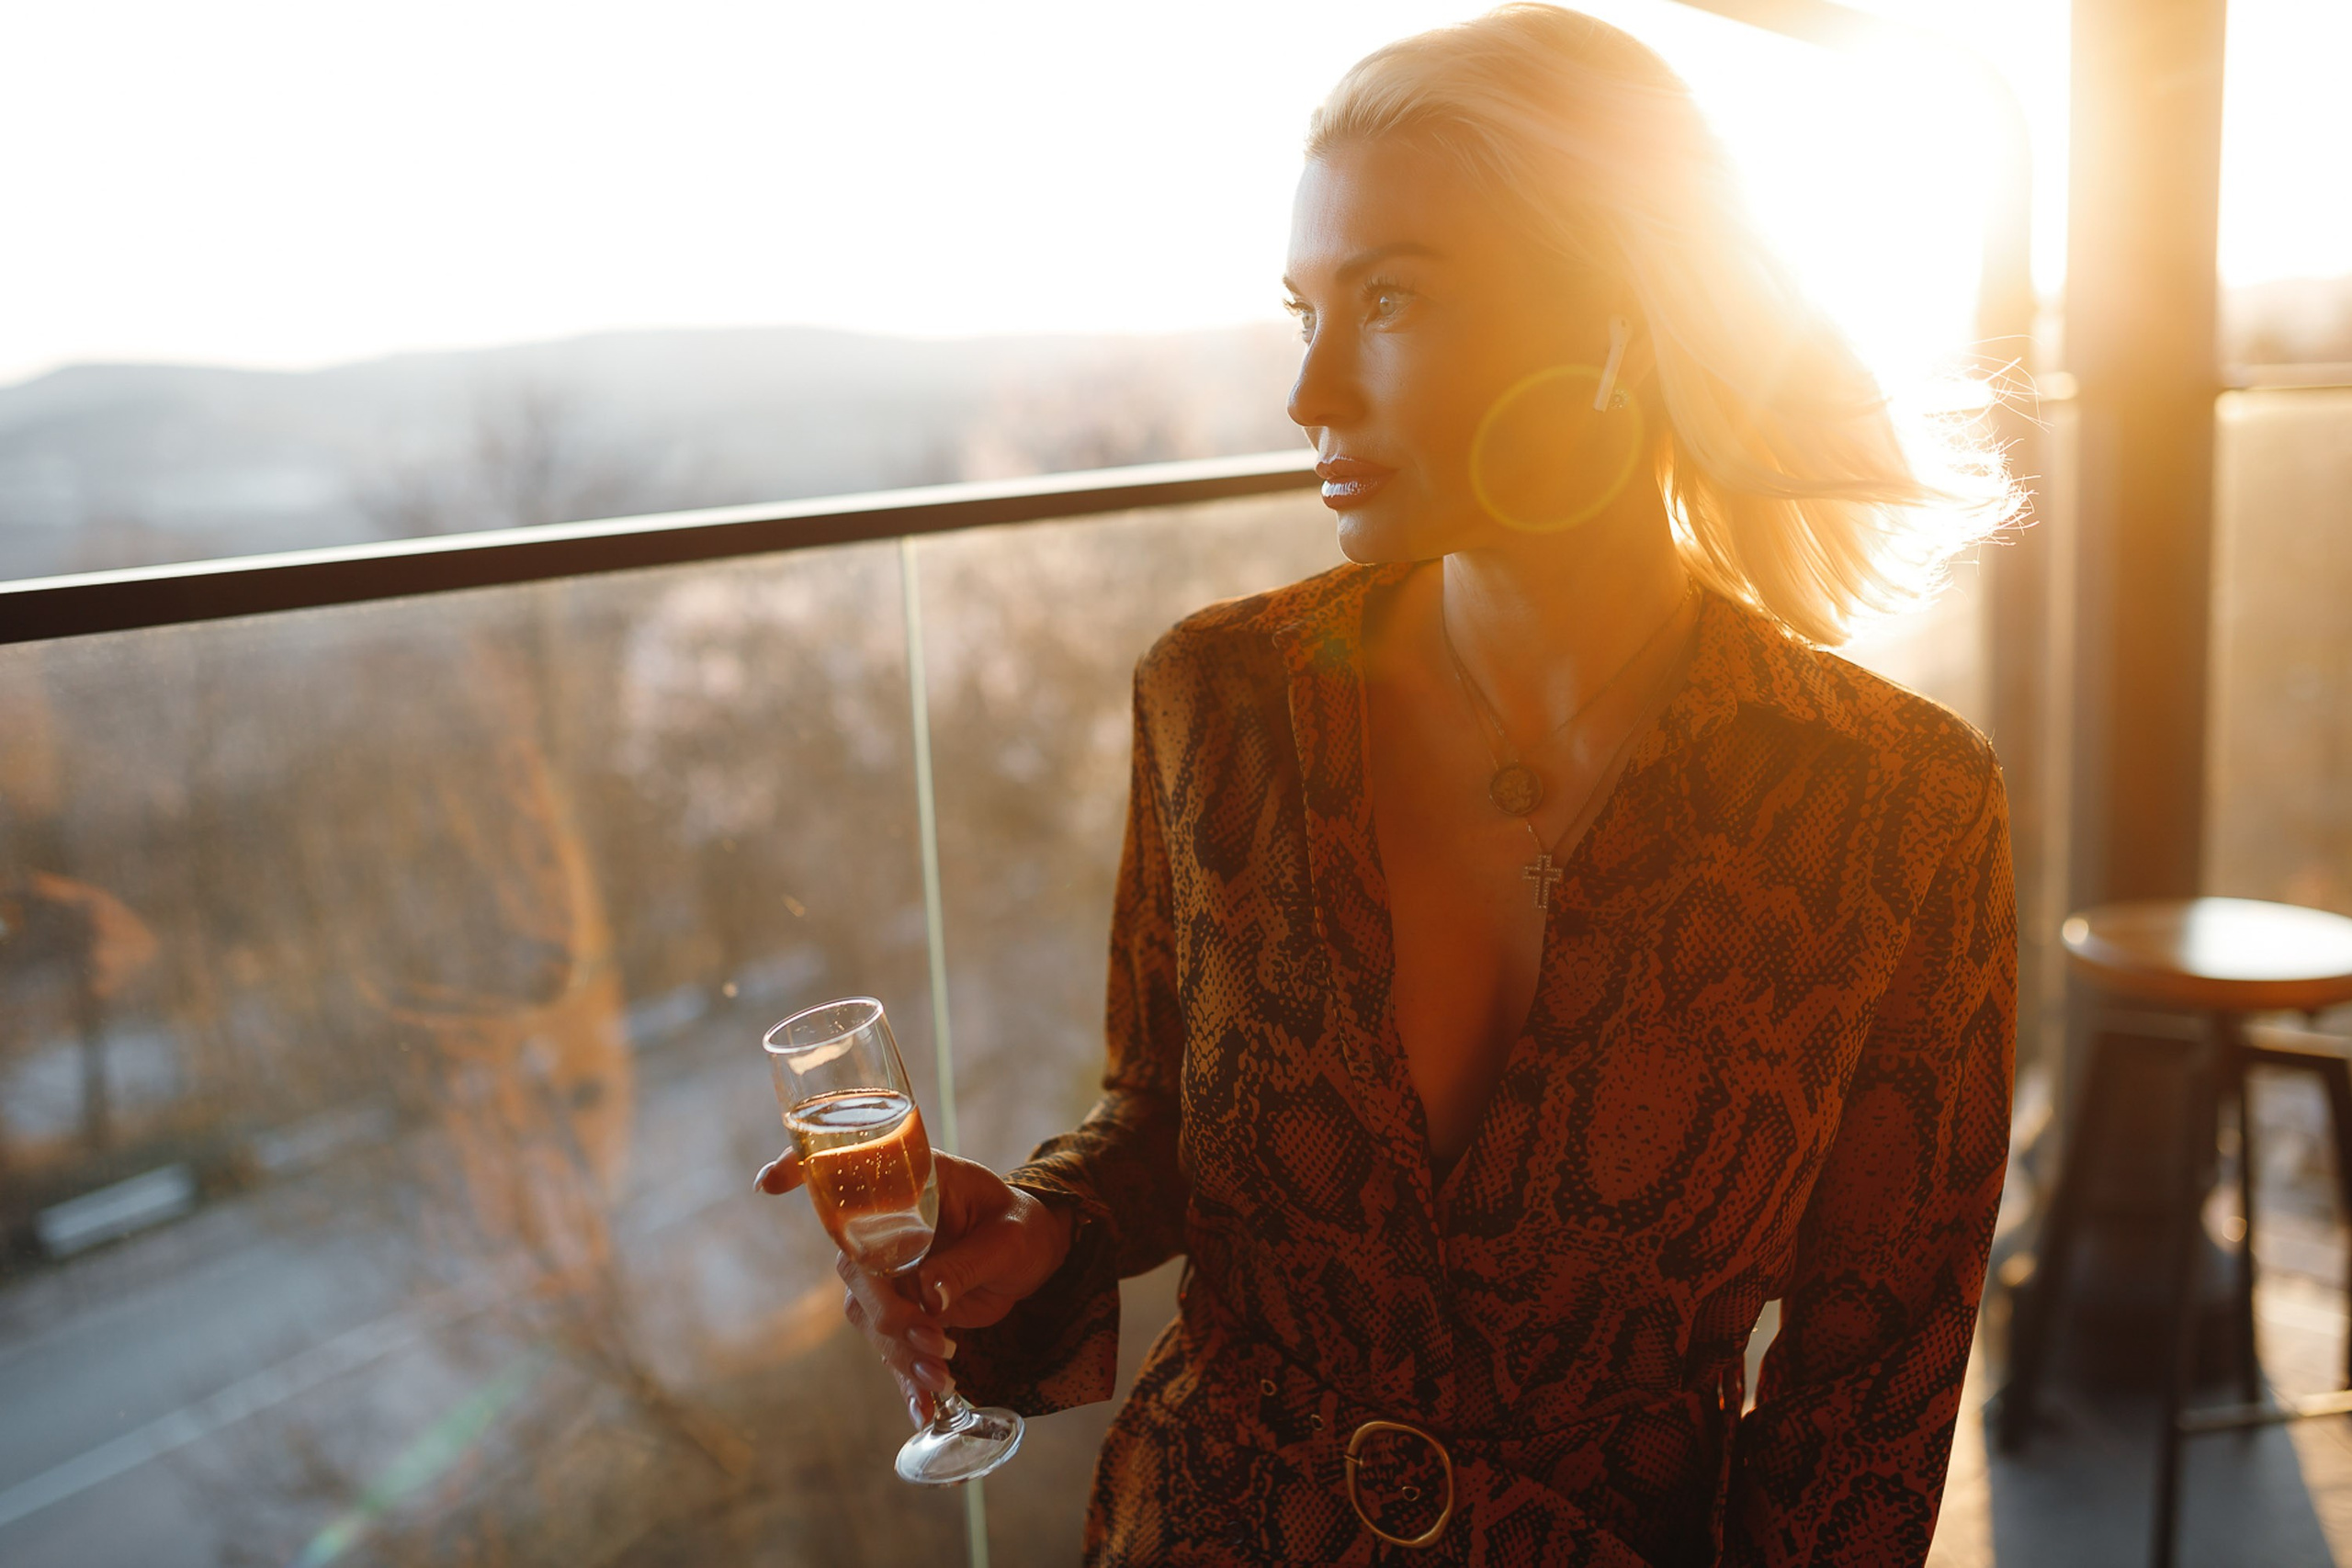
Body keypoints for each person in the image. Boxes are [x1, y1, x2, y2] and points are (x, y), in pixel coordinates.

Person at [759, 6, 2018, 1562]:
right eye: (1304, 310)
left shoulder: (1896, 809)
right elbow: (1168, 1112)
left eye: (1394, 299)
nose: (1313, 394)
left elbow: (1868, 1408)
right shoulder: (1218, 702)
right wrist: (1048, 1223)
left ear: (1618, 316)